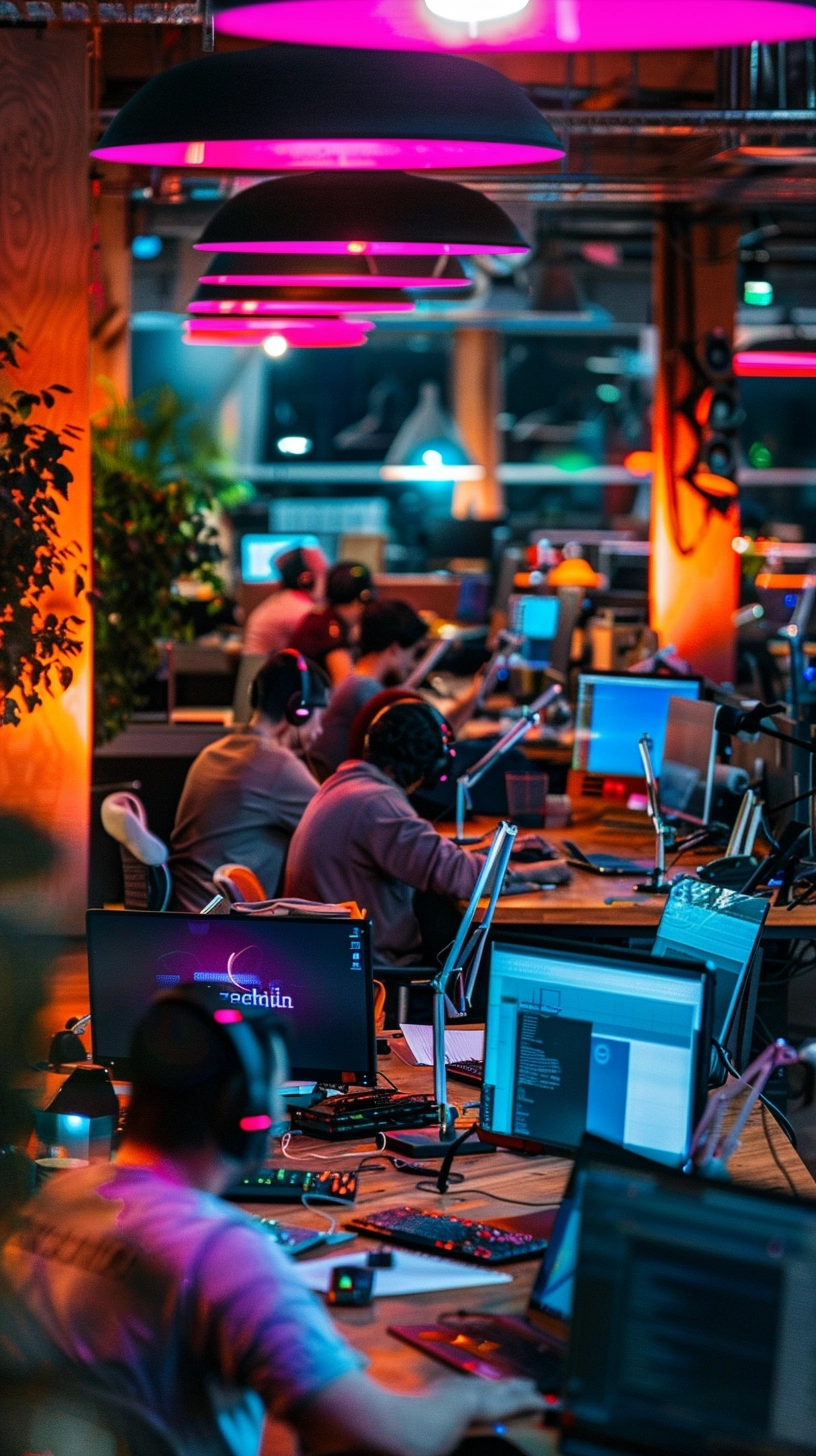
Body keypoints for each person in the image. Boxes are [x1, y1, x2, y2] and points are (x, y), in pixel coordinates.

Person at [0, 991, 542, 1456]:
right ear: (245, 1116)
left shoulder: (56, 1198)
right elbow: (390, 1437)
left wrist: (305, 1356)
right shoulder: (219, 1251)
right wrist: (470, 1396)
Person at [285, 699, 570, 965]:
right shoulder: (377, 804)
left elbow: (426, 855)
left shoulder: (346, 784)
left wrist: (488, 851)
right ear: (432, 766)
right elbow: (468, 879)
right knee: (501, 963)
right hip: (378, 979)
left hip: (330, 964)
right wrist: (544, 871)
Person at [169, 650, 328, 910]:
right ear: (299, 710)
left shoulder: (211, 753)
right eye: (320, 718)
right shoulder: (277, 766)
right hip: (224, 924)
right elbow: (338, 828)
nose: (320, 731)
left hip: (189, 912)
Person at [311, 598, 428, 777]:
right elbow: (419, 747)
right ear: (395, 648)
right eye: (413, 653)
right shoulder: (364, 689)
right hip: (342, 793)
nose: (412, 664)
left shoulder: (356, 683)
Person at [289, 561, 373, 687]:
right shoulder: (330, 627)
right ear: (360, 600)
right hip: (308, 702)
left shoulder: (322, 618)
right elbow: (346, 686)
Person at [241, 545, 327, 658]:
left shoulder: (282, 601)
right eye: (323, 574)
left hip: (260, 672)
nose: (327, 582)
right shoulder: (302, 610)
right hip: (270, 674)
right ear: (308, 579)